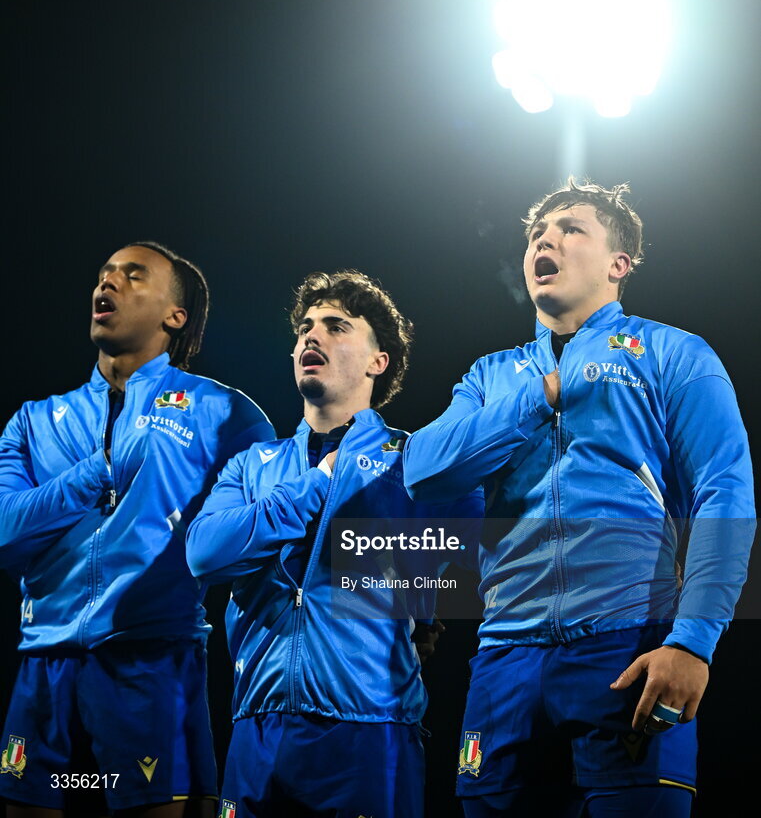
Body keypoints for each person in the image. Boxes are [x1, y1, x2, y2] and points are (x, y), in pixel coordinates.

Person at [403, 179, 755, 818]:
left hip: (629, 646)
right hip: (504, 657)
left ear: (619, 265)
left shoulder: (673, 352)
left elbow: (725, 495)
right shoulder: (491, 376)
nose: (545, 238)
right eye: (538, 232)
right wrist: (540, 397)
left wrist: (693, 642)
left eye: (571, 229)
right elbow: (424, 471)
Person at [187, 270, 478, 818]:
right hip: (256, 727)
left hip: (370, 731)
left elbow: (476, 564)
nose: (310, 337)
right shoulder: (254, 464)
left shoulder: (416, 462)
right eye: (304, 328)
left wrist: (423, 599)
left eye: (336, 326)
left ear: (378, 361)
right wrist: (317, 485)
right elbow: (204, 552)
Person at [0, 242, 274, 818]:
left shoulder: (224, 413)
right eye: (103, 276)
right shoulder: (33, 420)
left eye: (132, 275)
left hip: (151, 669)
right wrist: (95, 474)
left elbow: (272, 535)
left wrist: (406, 598)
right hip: (42, 673)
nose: (108, 284)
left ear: (176, 316)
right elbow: (3, 532)